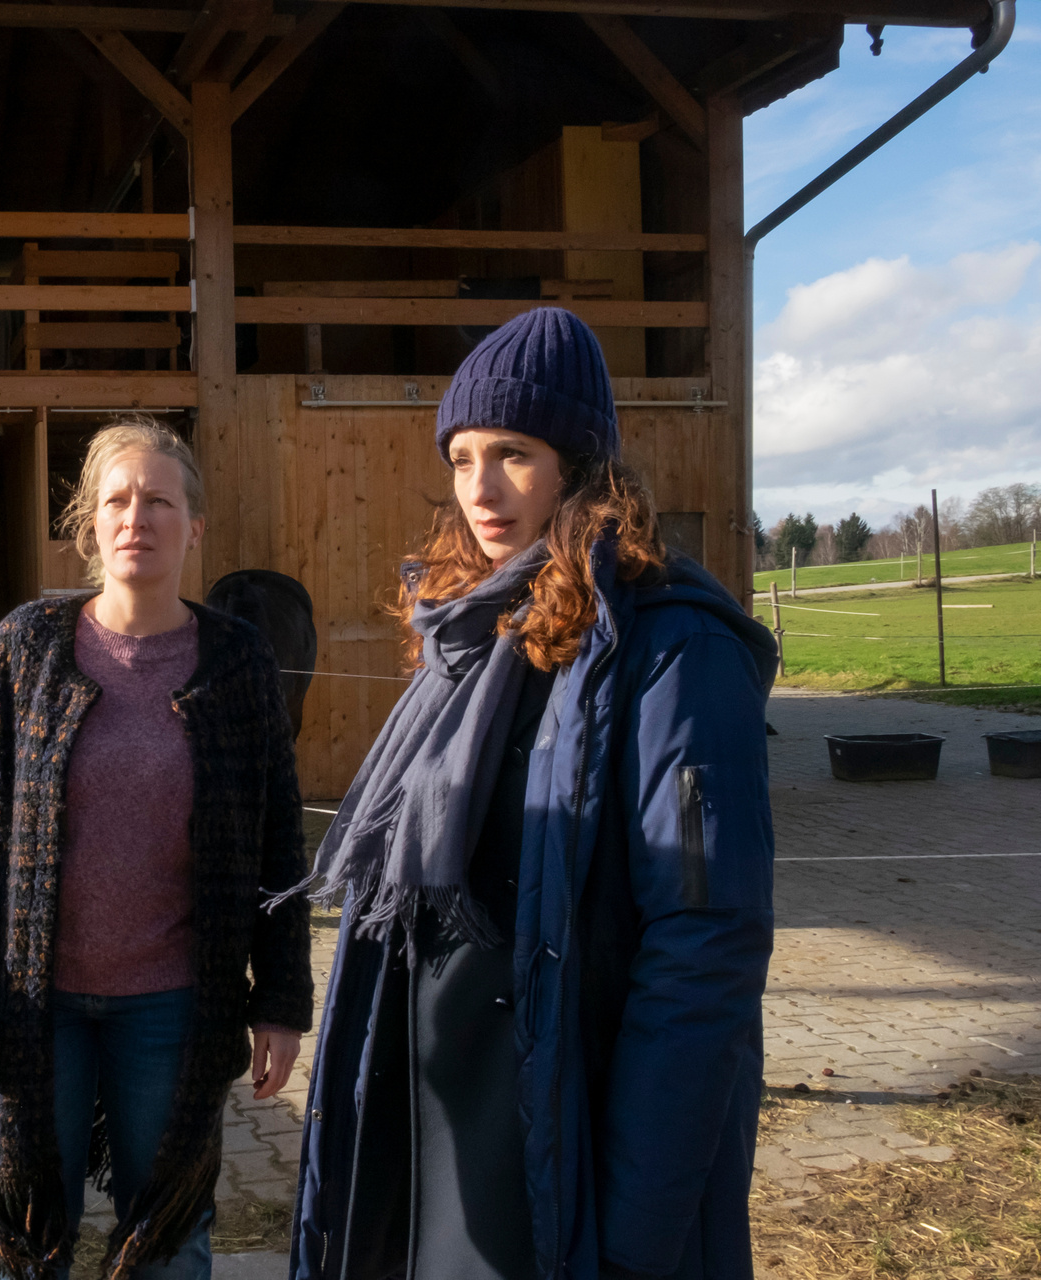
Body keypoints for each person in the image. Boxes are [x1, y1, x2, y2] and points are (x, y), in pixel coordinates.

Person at [284, 308, 779, 1280]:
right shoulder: (471, 638)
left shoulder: (675, 651)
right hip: (440, 1137)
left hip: (562, 1135)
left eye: (512, 452)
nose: (480, 489)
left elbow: (704, 950)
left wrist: (633, 1236)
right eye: (462, 457)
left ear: (581, 463)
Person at [0, 418, 312, 1280]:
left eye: (159, 501)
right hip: (31, 1005)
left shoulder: (238, 661)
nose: (137, 517)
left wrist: (280, 1000)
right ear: (88, 525)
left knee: (169, 1234)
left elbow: (281, 837)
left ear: (194, 526)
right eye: (117, 500)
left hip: (173, 1006)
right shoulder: (28, 646)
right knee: (23, 1232)